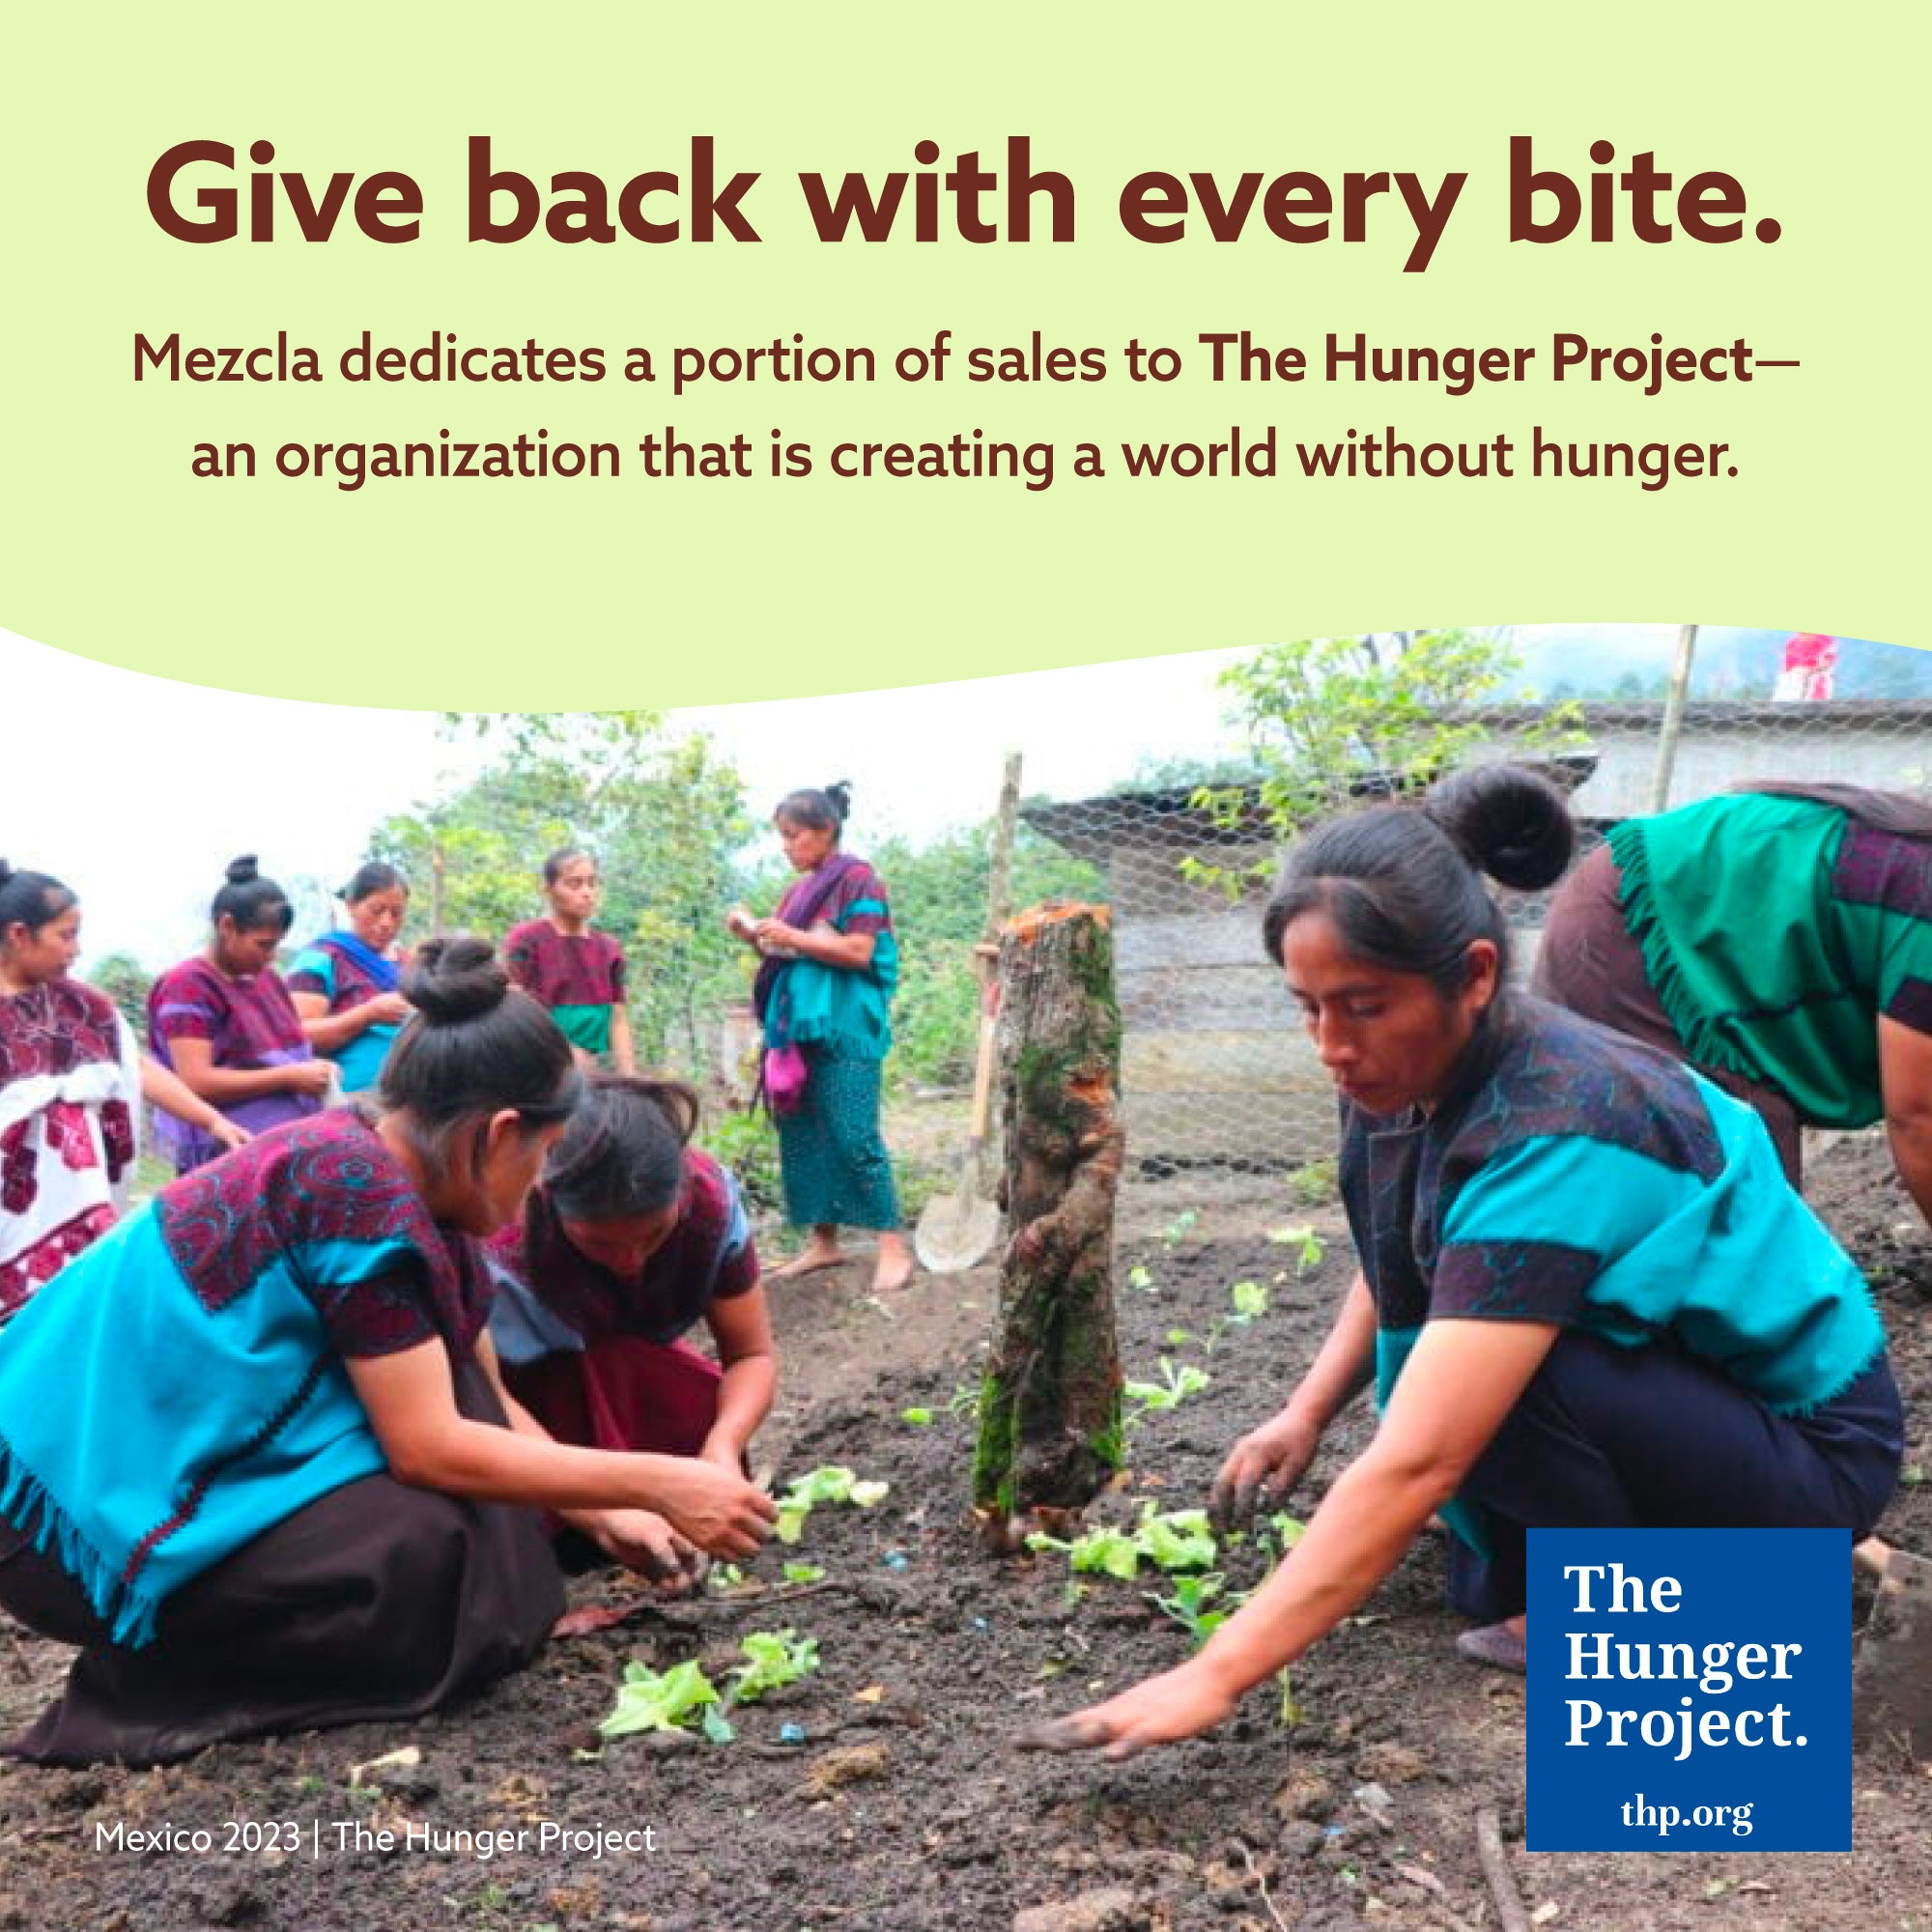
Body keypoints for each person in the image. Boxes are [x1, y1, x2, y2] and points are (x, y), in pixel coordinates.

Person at [1026, 766, 1902, 1760]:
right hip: (1686, 1392)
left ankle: (1697, 1618)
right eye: (1305, 1006)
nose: (1329, 1043)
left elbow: (1425, 1445)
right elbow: (1423, 1249)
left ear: (1475, 975)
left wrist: (1213, 1669)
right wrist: (1306, 1410)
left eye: (1358, 1004)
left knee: (1496, 1394)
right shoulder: (1403, 1072)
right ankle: (1633, 1572)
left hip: (1809, 1442)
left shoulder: (1558, 1121)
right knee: (1475, 1491)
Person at [0, 937, 776, 1767]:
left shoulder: (402, 1172)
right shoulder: (355, 1191)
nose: (534, 1192)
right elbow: (427, 1444)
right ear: (498, 1134)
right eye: (543, 1160)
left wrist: (604, 1510)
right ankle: (136, 1694)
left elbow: (477, 1390)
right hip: (60, 1519)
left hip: (165, 1461)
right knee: (421, 1564)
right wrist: (657, 1480)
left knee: (496, 1559)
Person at [1532, 782, 1932, 1224]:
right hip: (1643, 926)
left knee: (1744, 1219)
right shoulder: (1924, 898)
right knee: (1748, 1209)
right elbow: (1917, 1118)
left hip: (1688, 915)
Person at [486, 1075, 777, 1586]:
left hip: (634, 1390)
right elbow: (483, 1400)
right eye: (599, 1243)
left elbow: (751, 1355)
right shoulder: (497, 1232)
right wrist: (597, 1510)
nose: (629, 1263)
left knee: (660, 1380)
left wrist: (722, 1450)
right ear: (547, 1197)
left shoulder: (709, 1204)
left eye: (654, 1236)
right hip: (527, 1414)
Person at [1, 861, 247, 1320]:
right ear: (19, 935)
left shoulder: (84, 1007)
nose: (76, 950)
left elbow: (132, 1067)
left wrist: (212, 1119)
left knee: (79, 1321)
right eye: (65, 935)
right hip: (13, 1215)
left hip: (85, 1202)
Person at [732, 781, 912, 1294]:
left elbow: (857, 951)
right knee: (804, 1131)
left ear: (825, 830)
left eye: (793, 836)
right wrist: (756, 937)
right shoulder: (799, 891)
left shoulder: (859, 881)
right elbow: (797, 954)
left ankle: (891, 1244)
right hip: (798, 1026)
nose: (787, 847)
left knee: (855, 1133)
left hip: (847, 1023)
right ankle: (823, 1242)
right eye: (782, 838)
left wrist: (790, 937)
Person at [146, 856, 333, 1173]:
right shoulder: (188, 986)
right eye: (263, 944)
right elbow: (197, 1080)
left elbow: (293, 1052)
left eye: (276, 945)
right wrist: (290, 1076)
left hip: (287, 1145)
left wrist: (315, 1071)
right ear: (227, 926)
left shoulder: (267, 980)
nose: (271, 956)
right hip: (231, 1151)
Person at [503, 848, 636, 1076]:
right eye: (574, 884)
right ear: (548, 890)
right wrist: (566, 1052)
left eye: (592, 884)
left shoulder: (608, 948)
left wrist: (629, 1076)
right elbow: (515, 1006)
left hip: (596, 1065)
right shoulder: (527, 940)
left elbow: (618, 1017)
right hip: (542, 1062)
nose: (587, 893)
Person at [287, 860, 413, 1094]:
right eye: (376, 911)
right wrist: (368, 1015)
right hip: (347, 1098)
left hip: (410, 1097)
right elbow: (298, 1036)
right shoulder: (321, 959)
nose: (387, 922)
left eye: (396, 914)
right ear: (351, 906)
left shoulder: (410, 965)